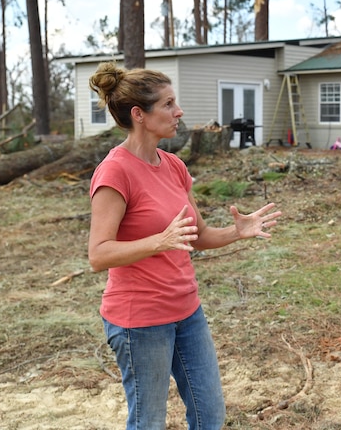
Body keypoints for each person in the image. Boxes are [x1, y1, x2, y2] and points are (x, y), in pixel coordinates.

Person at [87, 61, 282, 429]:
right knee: (149, 421)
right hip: (139, 322)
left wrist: (236, 232)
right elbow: (99, 254)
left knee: (210, 415)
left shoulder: (174, 165)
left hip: (187, 313)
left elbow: (198, 237)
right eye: (168, 104)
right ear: (138, 115)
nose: (179, 112)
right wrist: (158, 241)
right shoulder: (115, 171)